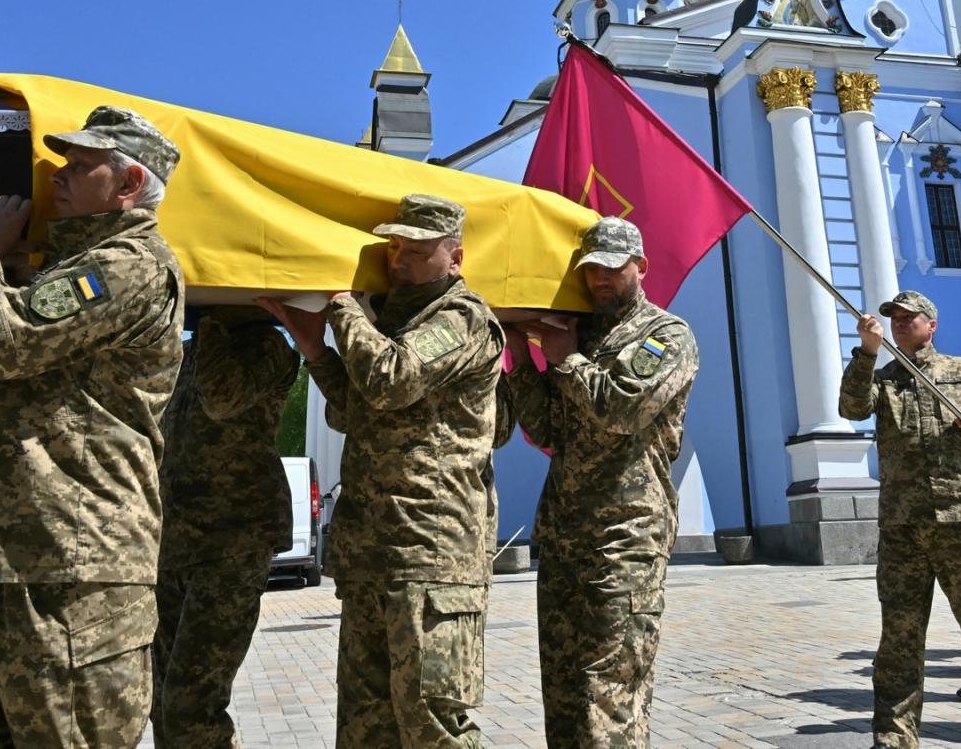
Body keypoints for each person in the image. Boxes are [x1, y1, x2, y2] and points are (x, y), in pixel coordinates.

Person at [0, 106, 185, 748]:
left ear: (129, 184)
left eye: (80, 165)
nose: (57, 175)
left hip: (69, 567)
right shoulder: (56, 270)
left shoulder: (129, 263)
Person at [263, 193, 504, 748]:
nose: (399, 259)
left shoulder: (462, 318)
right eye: (393, 246)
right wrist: (316, 352)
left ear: (456, 257)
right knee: (366, 727)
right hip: (372, 555)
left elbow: (390, 378)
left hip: (432, 557)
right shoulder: (391, 323)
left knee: (433, 726)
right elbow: (353, 410)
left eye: (417, 250)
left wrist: (341, 302)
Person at [504, 217, 698, 749]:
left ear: (641, 267)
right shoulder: (576, 333)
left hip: (627, 535)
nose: (600, 280)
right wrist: (522, 355)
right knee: (564, 687)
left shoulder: (666, 335)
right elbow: (544, 428)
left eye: (612, 269)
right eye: (591, 270)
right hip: (566, 533)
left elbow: (621, 409)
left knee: (608, 687)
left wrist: (565, 357)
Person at [840, 290, 961, 749]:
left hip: (960, 522)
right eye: (895, 319)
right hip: (903, 527)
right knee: (899, 638)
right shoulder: (883, 378)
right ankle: (894, 737)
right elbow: (852, 408)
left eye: (909, 318)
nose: (900, 324)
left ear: (932, 324)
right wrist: (865, 352)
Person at [150, 314, 300, 748]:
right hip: (174, 541)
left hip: (232, 540)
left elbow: (221, 397)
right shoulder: (188, 352)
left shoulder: (268, 344)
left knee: (192, 703)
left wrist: (213, 318)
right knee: (163, 703)